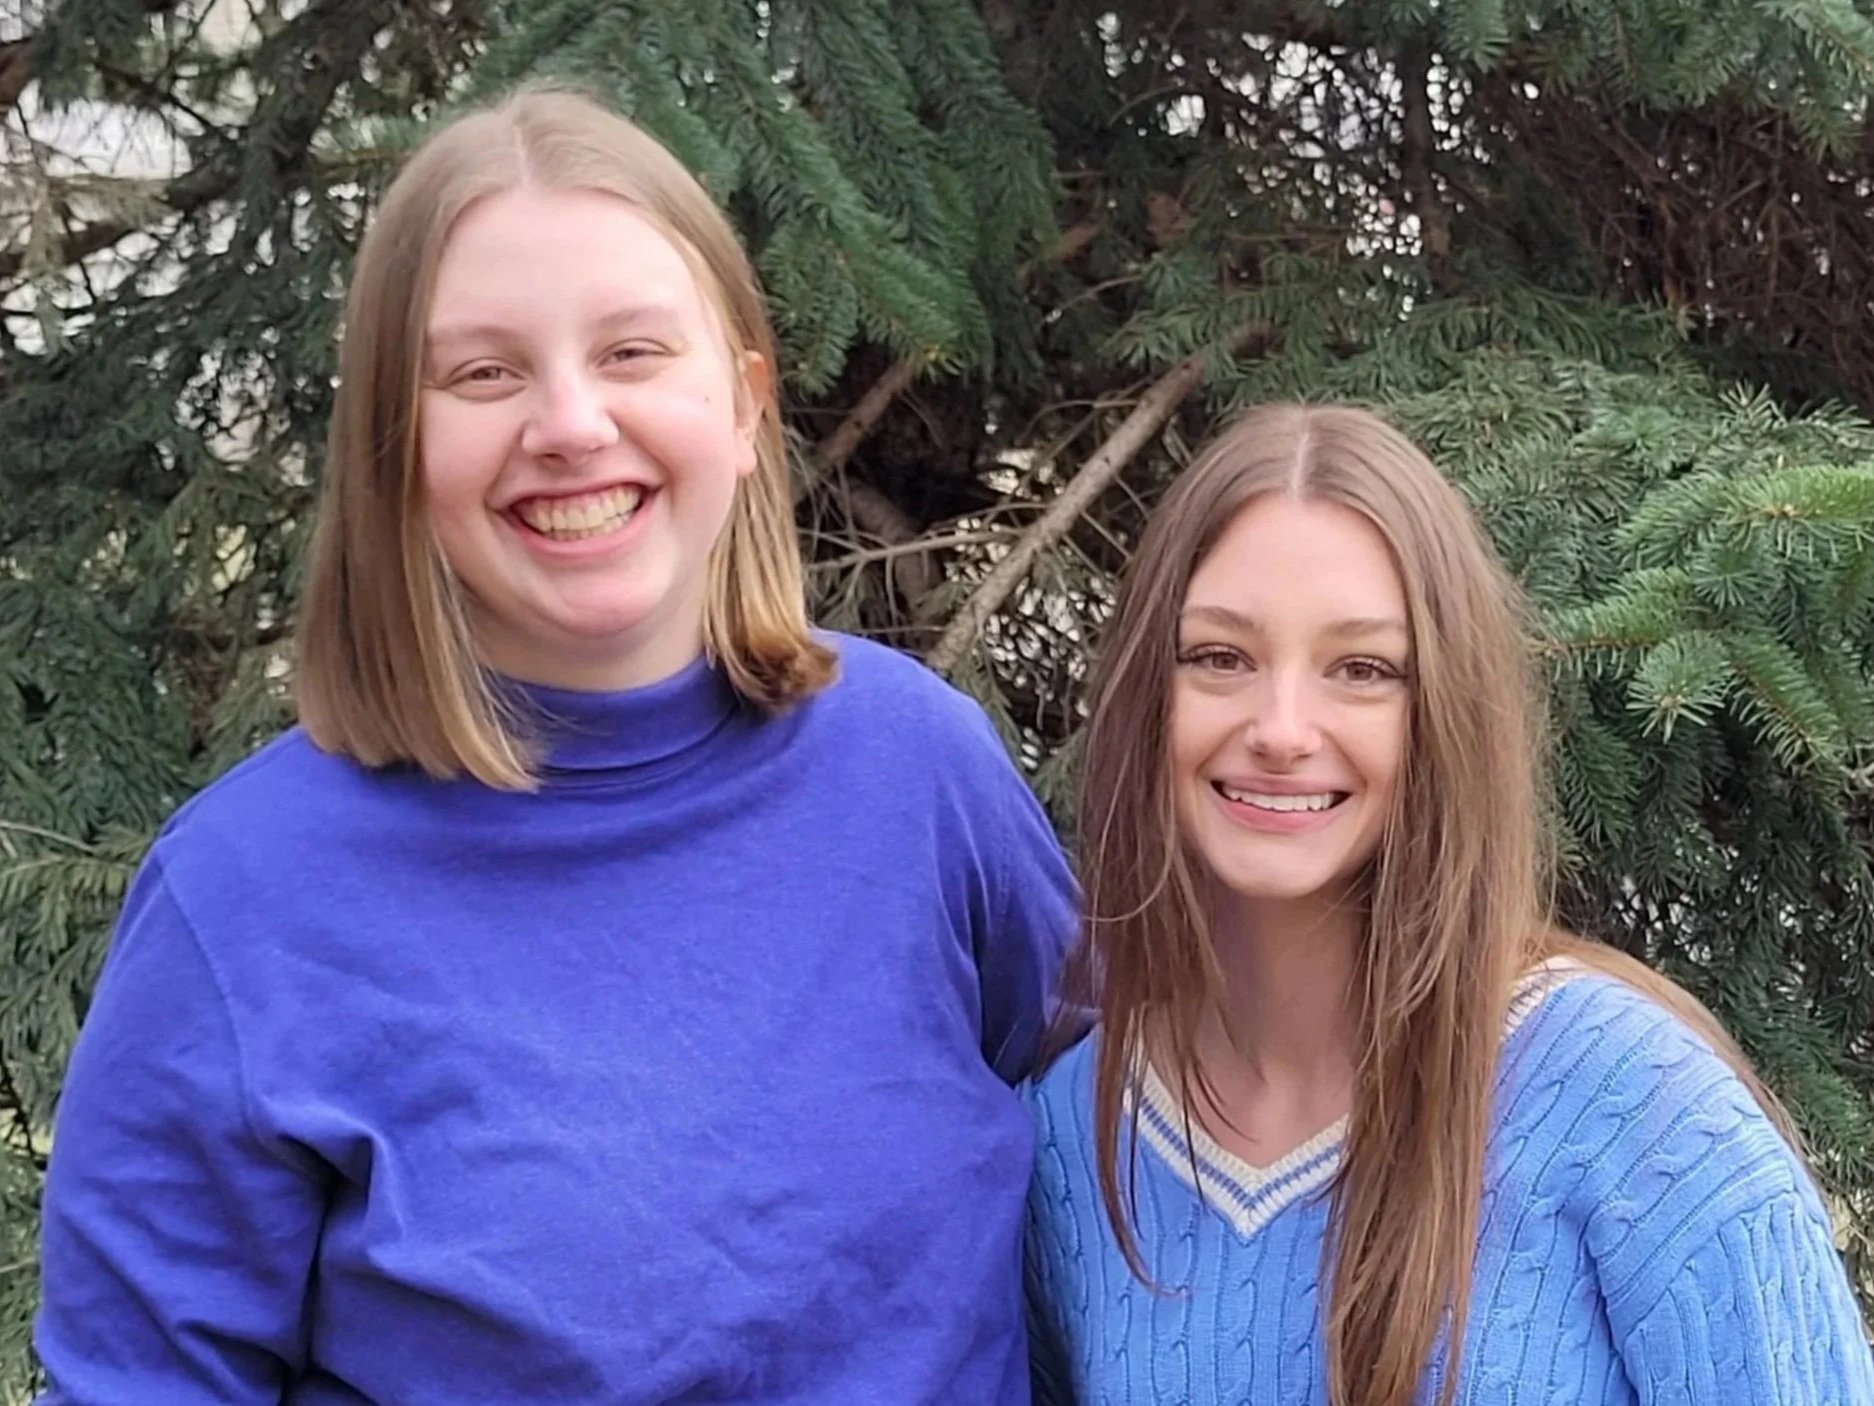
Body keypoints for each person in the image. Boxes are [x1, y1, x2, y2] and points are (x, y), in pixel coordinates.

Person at [36, 88, 1074, 1405]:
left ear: (747, 401)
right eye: (483, 371)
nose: (572, 422)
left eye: (633, 351)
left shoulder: (919, 774)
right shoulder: (242, 904)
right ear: (393, 448)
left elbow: (1140, 1173)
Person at [1023, 404, 1874, 1405]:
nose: (1281, 727)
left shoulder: (1630, 1105)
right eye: (1219, 655)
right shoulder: (1076, 1132)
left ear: (1443, 716)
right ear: (1142, 694)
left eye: (1363, 669)